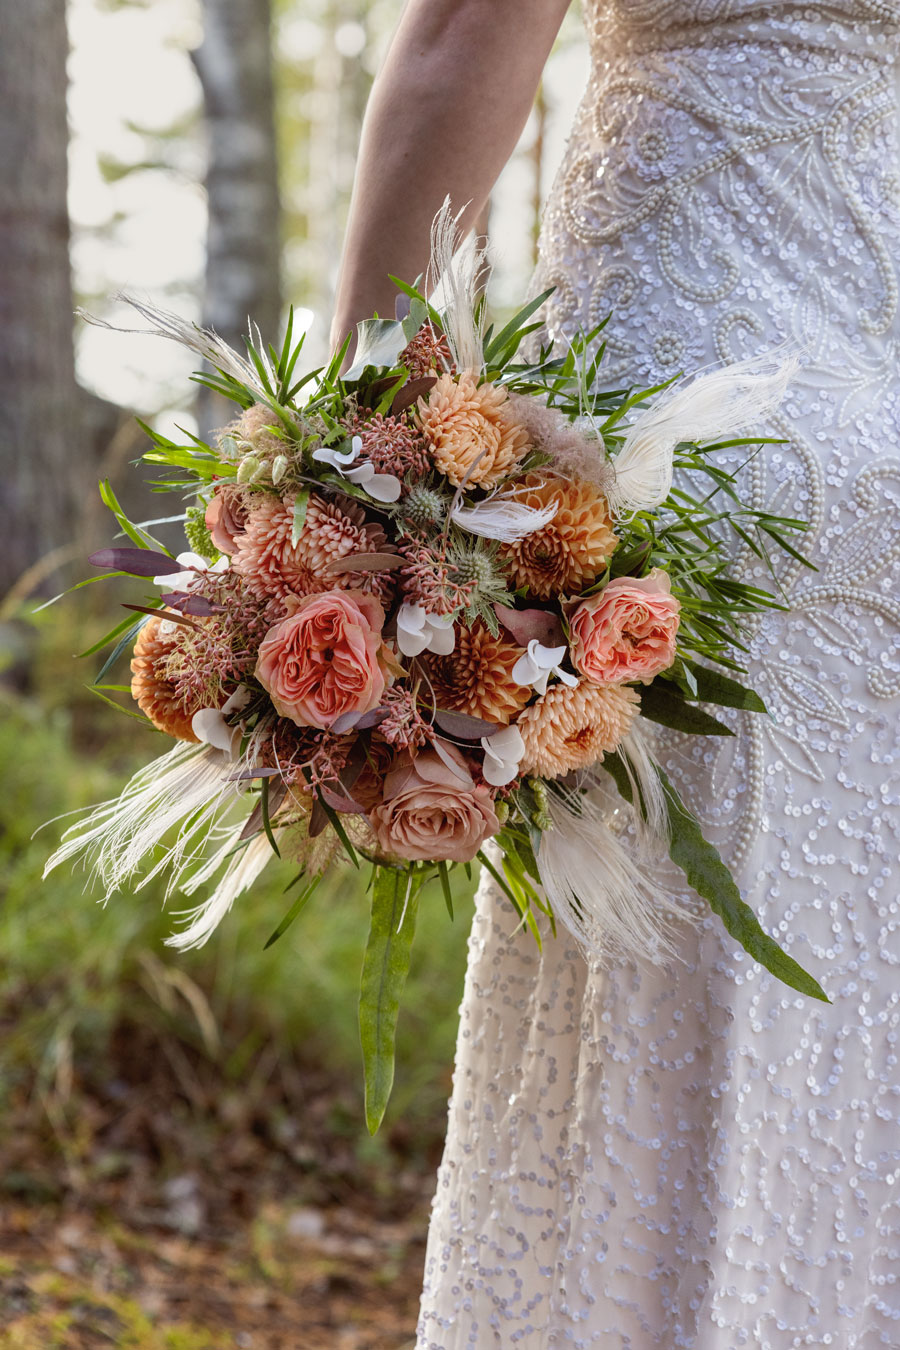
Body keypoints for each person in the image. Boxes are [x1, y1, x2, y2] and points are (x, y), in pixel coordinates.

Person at [332, 2, 900, 1345]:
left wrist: (358, 480)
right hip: (873, 418)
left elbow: (465, 34)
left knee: (672, 1018)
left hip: (704, 449)